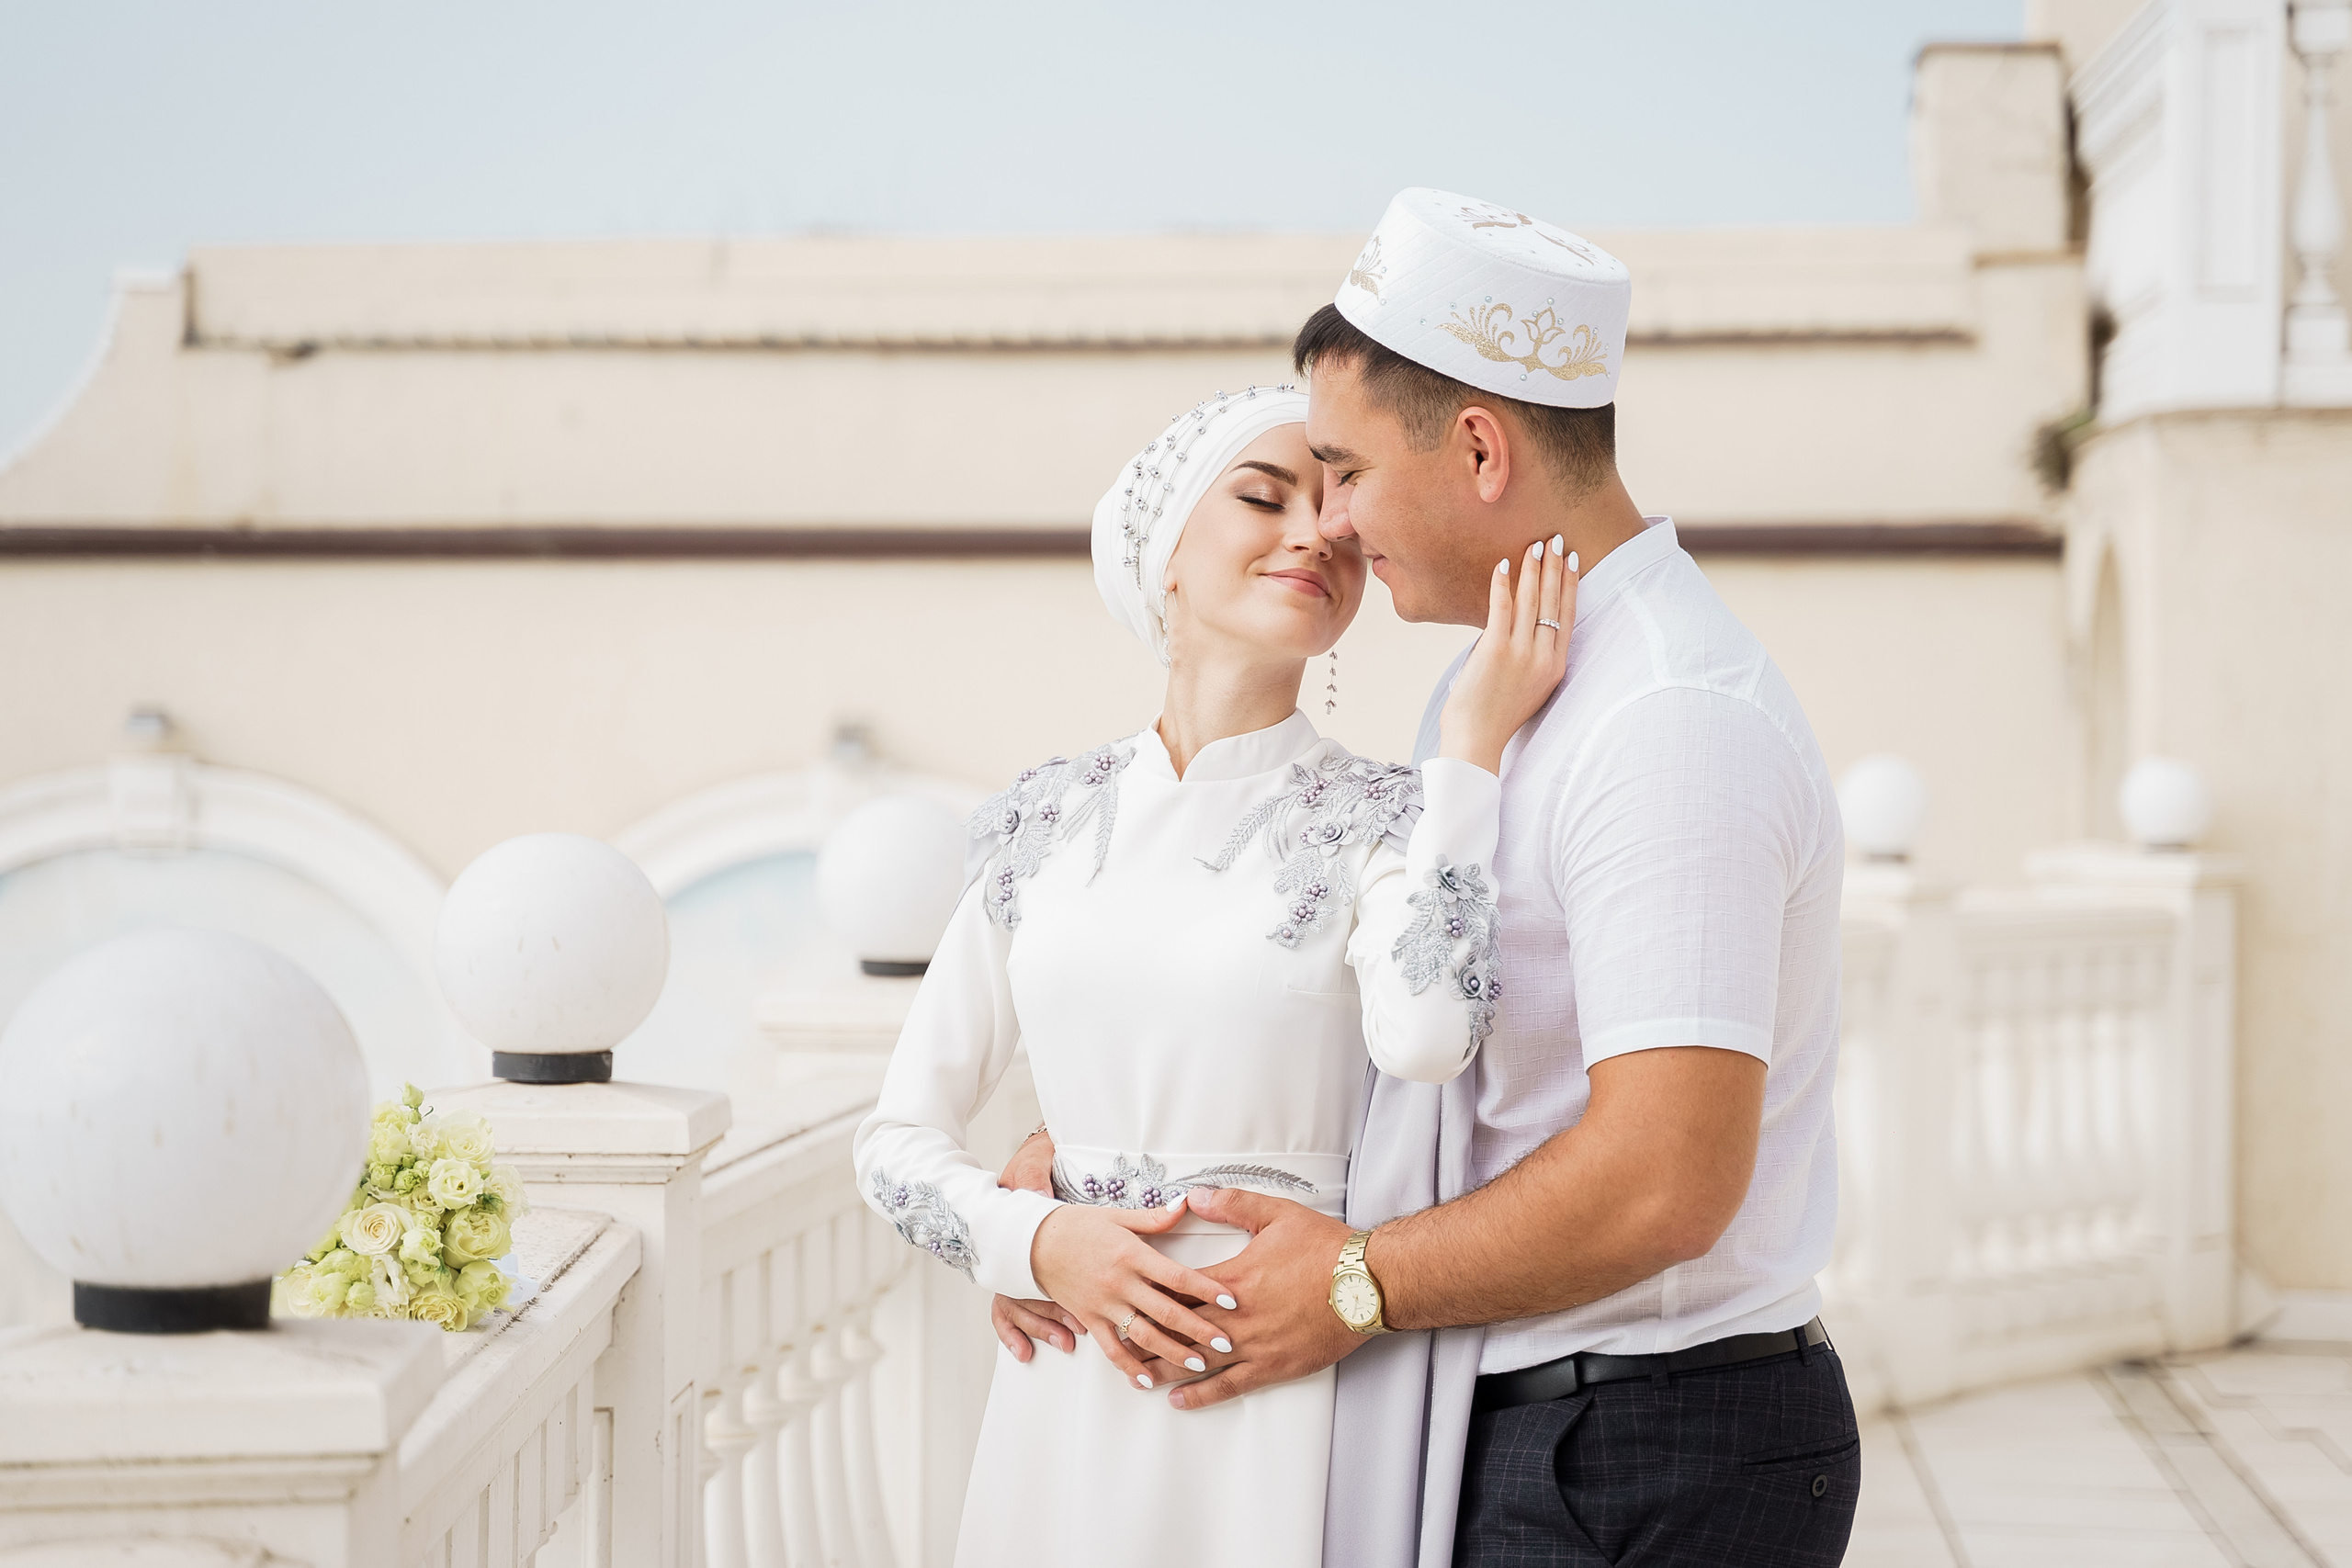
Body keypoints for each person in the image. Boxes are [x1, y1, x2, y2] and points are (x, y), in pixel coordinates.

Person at [994, 190, 1858, 1568]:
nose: (1331, 521)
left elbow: (1666, 1180)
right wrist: (1108, 1149)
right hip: (1542, 1420)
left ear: (1477, 446)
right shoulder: (1508, 689)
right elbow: (1418, 1042)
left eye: (1343, 467)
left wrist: (1354, 1282)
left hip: (1646, 1448)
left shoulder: (1666, 722)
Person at [851, 381, 1574, 1566]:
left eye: (1338, 514)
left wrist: (1470, 761)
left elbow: (1432, 1035)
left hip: (1281, 1377)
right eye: (1264, 496)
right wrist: (1037, 1246)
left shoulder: (1384, 825)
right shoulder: (1048, 821)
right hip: (1072, 1374)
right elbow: (895, 1142)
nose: (1316, 534)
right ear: (1165, 553)